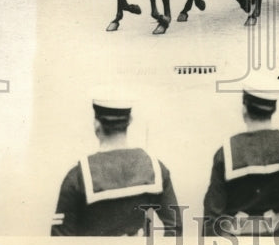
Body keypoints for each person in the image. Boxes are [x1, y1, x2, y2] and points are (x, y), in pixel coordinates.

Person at [203, 87, 279, 237]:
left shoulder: (226, 152)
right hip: (278, 241)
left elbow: (212, 213)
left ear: (244, 110)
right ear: (273, 110)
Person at [51, 94, 181, 237]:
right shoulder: (156, 169)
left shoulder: (77, 177)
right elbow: (175, 227)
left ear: (96, 124)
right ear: (130, 121)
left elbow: (60, 242)